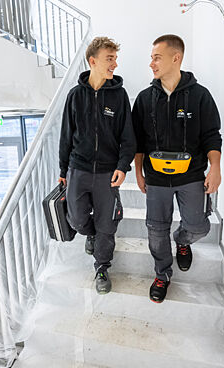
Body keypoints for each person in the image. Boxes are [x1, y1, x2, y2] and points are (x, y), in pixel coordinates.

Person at [132, 34, 222, 303]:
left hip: (191, 175)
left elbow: (212, 135)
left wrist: (215, 167)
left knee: (199, 227)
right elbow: (137, 139)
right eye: (151, 58)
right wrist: (138, 171)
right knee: (155, 230)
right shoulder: (145, 98)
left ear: (176, 58)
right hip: (157, 178)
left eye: (156, 57)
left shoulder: (200, 96)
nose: (151, 63)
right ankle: (162, 273)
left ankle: (182, 240)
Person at [59, 36, 136, 294]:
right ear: (93, 61)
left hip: (107, 172)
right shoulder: (75, 96)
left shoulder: (119, 96)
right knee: (77, 219)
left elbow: (128, 137)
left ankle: (102, 267)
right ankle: (90, 234)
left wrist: (123, 166)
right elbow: (66, 135)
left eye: (115, 58)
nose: (114, 64)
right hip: (78, 169)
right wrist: (62, 171)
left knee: (107, 224)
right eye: (109, 59)